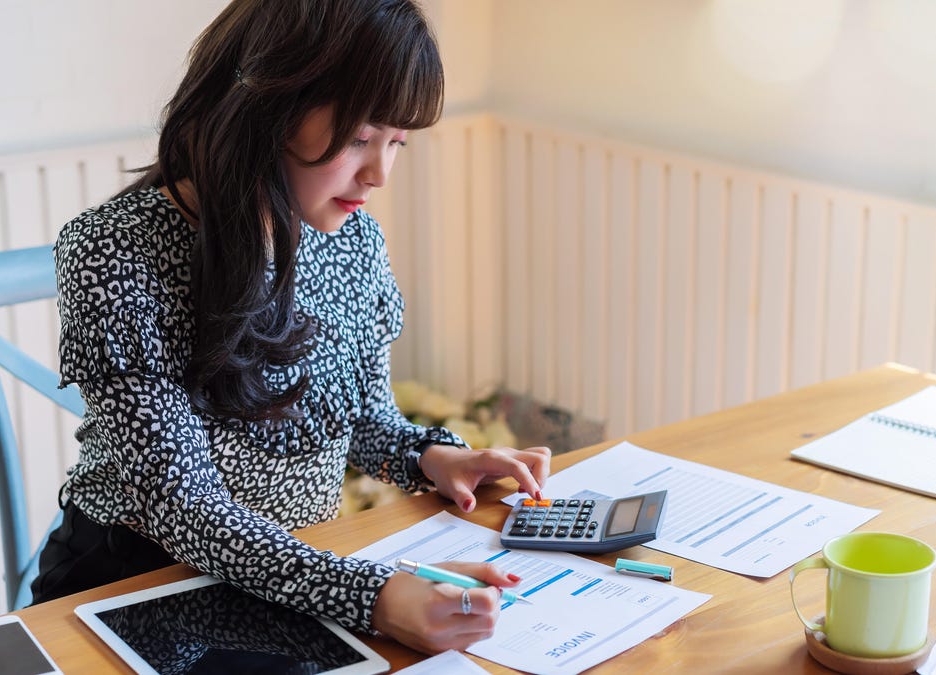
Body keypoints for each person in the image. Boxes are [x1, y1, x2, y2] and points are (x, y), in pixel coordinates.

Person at [31, 0, 551, 654]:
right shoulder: (116, 254)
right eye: (360, 138)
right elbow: (184, 505)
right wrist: (373, 594)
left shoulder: (351, 237)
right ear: (267, 107)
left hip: (288, 583)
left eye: (396, 143)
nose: (380, 174)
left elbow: (358, 416)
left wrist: (433, 456)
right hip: (135, 587)